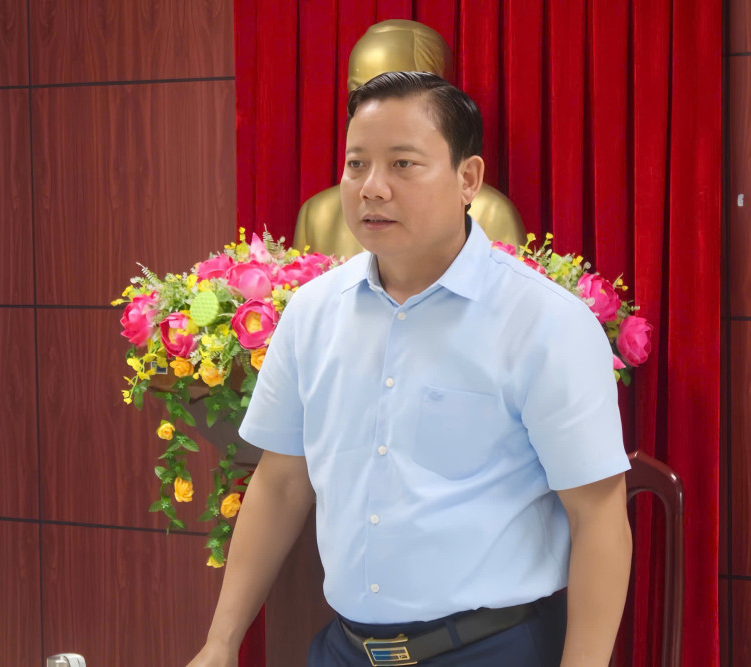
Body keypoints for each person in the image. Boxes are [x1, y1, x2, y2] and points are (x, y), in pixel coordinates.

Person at [187, 72, 632, 667]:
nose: (372, 188)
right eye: (356, 164)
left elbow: (598, 516)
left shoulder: (544, 322)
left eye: (403, 164)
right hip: (345, 649)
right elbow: (281, 482)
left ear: (468, 179)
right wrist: (220, 644)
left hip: (490, 650)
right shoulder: (312, 312)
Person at [293, 19, 526, 258]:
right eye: (361, 93)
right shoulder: (318, 215)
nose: (376, 109)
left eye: (403, 163)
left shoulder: (492, 213)